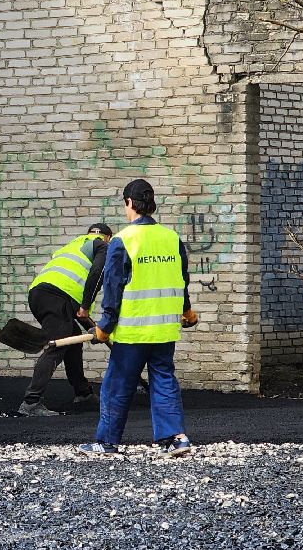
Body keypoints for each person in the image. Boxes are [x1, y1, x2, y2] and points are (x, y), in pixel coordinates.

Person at [80, 178, 198, 456]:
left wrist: (104, 327)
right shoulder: (171, 238)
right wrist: (187, 312)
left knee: (116, 385)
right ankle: (175, 439)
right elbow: (182, 281)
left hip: (133, 332)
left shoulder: (123, 240)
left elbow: (113, 289)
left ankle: (106, 442)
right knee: (164, 379)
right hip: (164, 330)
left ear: (129, 203)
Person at [18, 222, 112, 416]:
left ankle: (83, 393)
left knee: (73, 339)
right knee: (58, 345)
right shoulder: (102, 245)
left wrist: (91, 325)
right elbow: (98, 274)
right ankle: (31, 403)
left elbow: (74, 300)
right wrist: (86, 306)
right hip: (56, 296)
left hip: (39, 294)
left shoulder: (72, 246)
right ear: (108, 237)